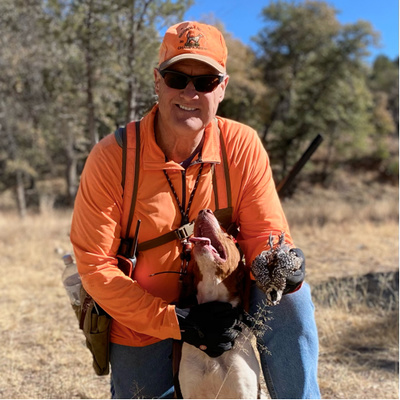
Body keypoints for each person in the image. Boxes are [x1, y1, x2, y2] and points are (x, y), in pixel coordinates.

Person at [70, 21, 320, 399]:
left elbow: (262, 237)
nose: (190, 91)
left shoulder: (242, 145)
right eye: (176, 77)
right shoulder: (113, 158)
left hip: (229, 301)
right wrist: (178, 322)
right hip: (144, 318)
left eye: (204, 81)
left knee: (290, 297)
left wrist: (280, 262)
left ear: (222, 88)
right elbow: (96, 267)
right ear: (157, 81)